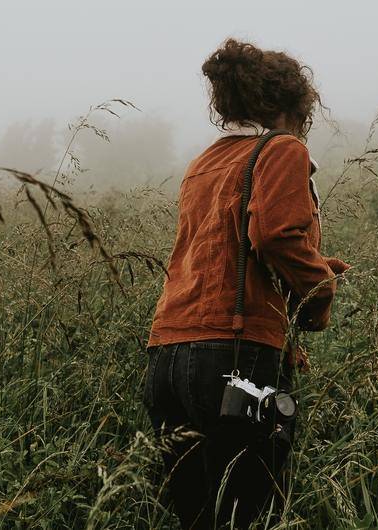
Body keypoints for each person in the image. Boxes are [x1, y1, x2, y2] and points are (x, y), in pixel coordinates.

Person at [143, 38, 350, 529]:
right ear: (290, 108)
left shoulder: (204, 164)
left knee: (195, 515)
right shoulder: (281, 149)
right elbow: (275, 234)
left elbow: (222, 253)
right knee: (250, 513)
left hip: (167, 360)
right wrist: (320, 288)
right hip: (235, 356)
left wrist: (287, 314)